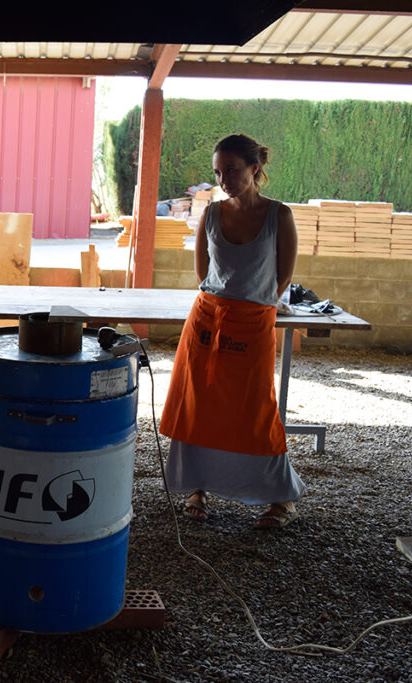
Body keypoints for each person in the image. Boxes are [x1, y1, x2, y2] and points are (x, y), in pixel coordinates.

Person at [159, 133, 304, 530]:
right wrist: (224, 305)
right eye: (218, 173)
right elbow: (203, 274)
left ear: (255, 169)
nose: (224, 180)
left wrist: (250, 309)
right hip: (208, 319)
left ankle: (280, 498)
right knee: (199, 404)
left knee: (255, 410)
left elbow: (281, 278)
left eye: (232, 171)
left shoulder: (280, 216)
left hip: (253, 322)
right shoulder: (213, 214)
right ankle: (197, 487)